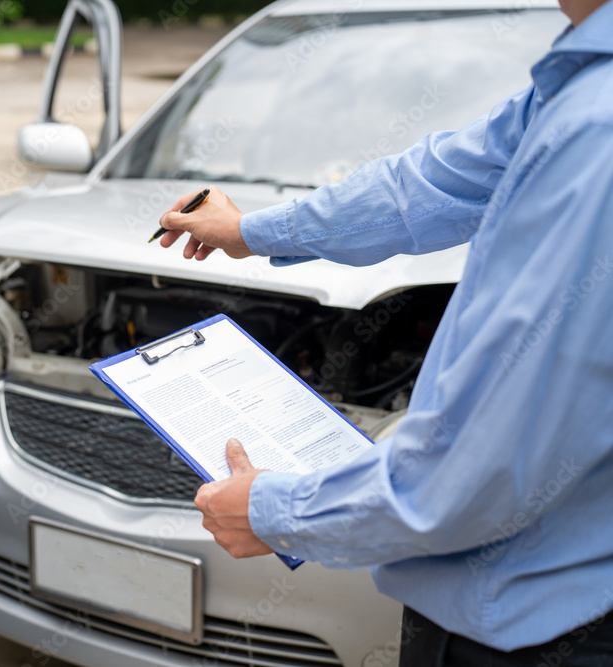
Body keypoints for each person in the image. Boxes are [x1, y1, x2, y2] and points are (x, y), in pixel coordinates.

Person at [159, 0, 613, 664]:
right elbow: (427, 181)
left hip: (535, 632)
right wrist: (251, 232)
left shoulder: (596, 133)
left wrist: (273, 510)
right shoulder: (575, 87)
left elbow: (471, 473)